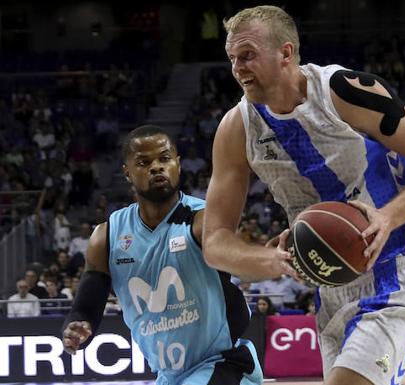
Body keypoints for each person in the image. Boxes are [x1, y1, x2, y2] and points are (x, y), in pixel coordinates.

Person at [201, 6, 405, 385]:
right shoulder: (235, 129)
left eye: (247, 56)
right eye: (232, 59)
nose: (237, 68)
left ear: (286, 53)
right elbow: (215, 243)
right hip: (330, 290)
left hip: (398, 276)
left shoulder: (342, 89)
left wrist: (387, 217)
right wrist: (273, 260)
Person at [62, 125, 263, 385]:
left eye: (164, 158)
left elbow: (245, 264)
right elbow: (88, 303)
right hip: (169, 376)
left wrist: (273, 258)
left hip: (224, 363)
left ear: (178, 164)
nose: (157, 167)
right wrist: (78, 324)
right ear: (127, 172)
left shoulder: (202, 219)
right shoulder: (107, 236)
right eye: (144, 162)